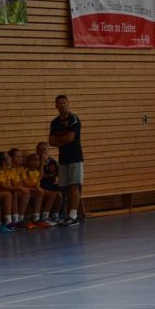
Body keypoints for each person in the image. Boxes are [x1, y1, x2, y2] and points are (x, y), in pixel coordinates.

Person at [49, 94, 84, 225]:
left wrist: (59, 140)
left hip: (75, 157)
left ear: (68, 104)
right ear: (56, 105)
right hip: (63, 158)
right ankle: (66, 214)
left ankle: (73, 216)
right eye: (59, 103)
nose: (62, 105)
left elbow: (70, 138)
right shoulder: (55, 123)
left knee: (74, 185)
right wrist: (62, 140)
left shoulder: (74, 119)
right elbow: (51, 141)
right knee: (64, 187)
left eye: (64, 102)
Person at [0, 150, 28, 229]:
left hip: (1, 192)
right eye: (8, 158)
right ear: (4, 161)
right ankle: (8, 222)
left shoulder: (7, 170)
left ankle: (16, 220)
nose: (10, 159)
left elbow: (9, 186)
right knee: (8, 194)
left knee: (13, 192)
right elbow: (3, 186)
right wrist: (19, 187)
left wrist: (16, 189)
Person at [24, 153, 59, 227]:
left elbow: (41, 174)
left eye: (38, 160)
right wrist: (35, 189)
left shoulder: (37, 171)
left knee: (52, 194)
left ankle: (44, 218)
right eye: (34, 160)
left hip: (37, 189)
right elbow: (26, 184)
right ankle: (36, 219)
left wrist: (41, 162)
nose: (36, 162)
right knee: (39, 194)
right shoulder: (26, 171)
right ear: (28, 162)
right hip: (30, 190)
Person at [35, 142, 64, 223]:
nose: (42, 151)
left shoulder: (53, 161)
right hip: (41, 185)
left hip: (51, 184)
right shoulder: (36, 162)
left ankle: (56, 215)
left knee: (61, 192)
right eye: (40, 150)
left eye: (44, 149)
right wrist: (41, 162)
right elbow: (40, 177)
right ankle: (45, 217)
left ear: (48, 150)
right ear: (37, 152)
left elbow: (59, 175)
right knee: (54, 194)